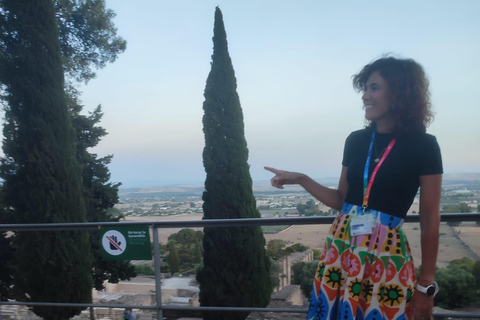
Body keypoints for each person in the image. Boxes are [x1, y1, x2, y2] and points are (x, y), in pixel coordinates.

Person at [265, 56, 442, 320]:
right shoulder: (356, 141)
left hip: (386, 254)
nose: (366, 97)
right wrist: (302, 178)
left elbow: (429, 219)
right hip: (340, 249)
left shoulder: (424, 146)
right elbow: (341, 200)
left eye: (374, 88)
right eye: (365, 89)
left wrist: (425, 285)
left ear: (400, 92)